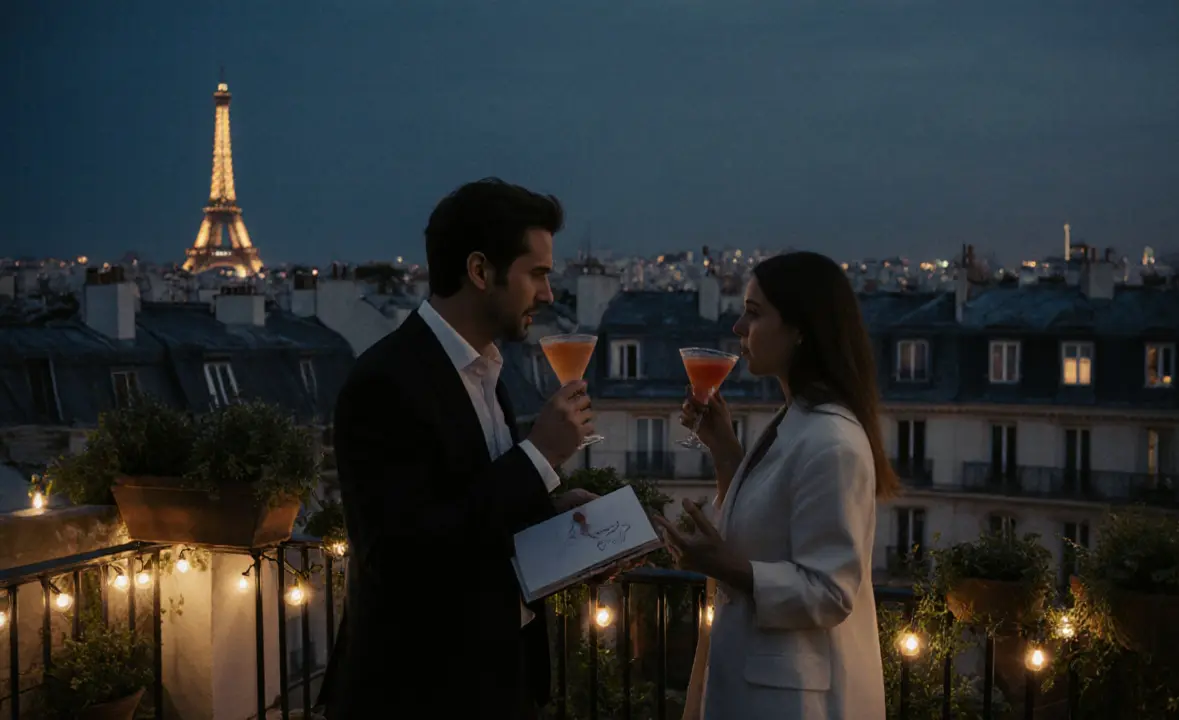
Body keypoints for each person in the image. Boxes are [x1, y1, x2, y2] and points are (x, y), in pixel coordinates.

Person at [319, 178, 599, 719]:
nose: (547, 294)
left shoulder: (486, 372)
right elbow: (401, 557)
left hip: (498, 679)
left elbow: (473, 509)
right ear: (479, 271)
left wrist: (559, 519)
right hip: (422, 692)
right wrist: (539, 457)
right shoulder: (384, 382)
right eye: (536, 274)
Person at [655, 251, 898, 720]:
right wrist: (726, 452)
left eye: (754, 312)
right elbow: (761, 529)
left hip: (796, 700)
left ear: (800, 330)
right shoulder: (797, 421)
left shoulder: (831, 440)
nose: (737, 328)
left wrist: (725, 566)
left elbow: (831, 591)